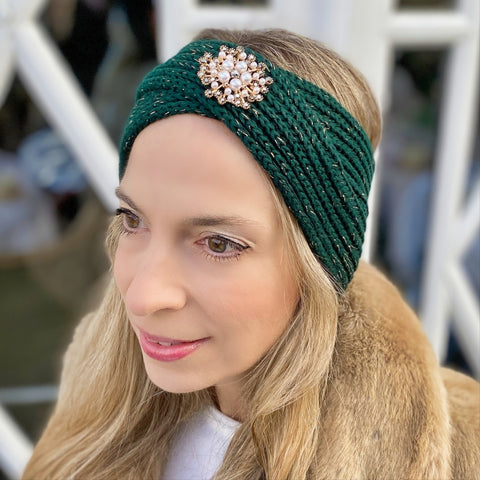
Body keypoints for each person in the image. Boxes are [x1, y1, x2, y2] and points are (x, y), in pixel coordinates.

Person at [22, 28, 479, 480]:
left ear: (317, 264)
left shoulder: (459, 453)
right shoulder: (96, 408)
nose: (142, 297)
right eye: (132, 219)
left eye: (218, 243)